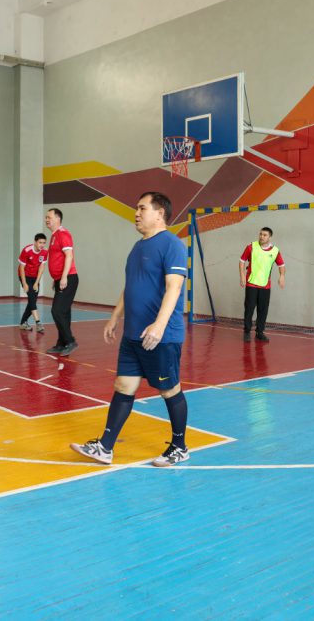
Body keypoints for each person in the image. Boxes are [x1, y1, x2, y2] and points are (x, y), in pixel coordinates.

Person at [70, 192, 191, 467]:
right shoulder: (137, 247)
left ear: (159, 213)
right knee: (123, 386)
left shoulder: (172, 244)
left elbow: (174, 287)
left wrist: (159, 326)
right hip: (133, 334)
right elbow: (131, 286)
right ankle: (105, 447)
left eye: (142, 208)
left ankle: (180, 446)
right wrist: (115, 317)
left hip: (161, 337)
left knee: (169, 390)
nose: (136, 213)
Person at [239, 226, 285, 342]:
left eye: (265, 235)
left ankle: (260, 332)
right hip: (251, 284)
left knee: (263, 310)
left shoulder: (275, 251)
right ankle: (247, 331)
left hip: (265, 285)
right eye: (260, 234)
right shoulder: (251, 247)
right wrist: (242, 276)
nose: (262, 236)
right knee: (249, 309)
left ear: (270, 237)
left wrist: (282, 276)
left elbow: (281, 265)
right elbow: (242, 261)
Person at [44, 208, 78, 356]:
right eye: (46, 217)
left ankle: (70, 341)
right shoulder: (54, 235)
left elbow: (69, 256)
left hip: (69, 278)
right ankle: (61, 343)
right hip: (60, 279)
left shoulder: (63, 234)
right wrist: (56, 279)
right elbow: (57, 259)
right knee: (64, 312)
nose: (47, 220)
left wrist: (63, 277)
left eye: (49, 217)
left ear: (58, 219)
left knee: (57, 311)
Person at [18, 233, 48, 332]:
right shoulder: (27, 250)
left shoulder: (44, 252)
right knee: (31, 298)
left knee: (33, 301)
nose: (42, 245)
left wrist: (36, 282)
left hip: (35, 277)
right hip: (25, 275)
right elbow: (21, 268)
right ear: (35, 242)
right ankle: (38, 323)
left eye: (44, 243)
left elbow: (42, 267)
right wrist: (24, 283)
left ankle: (23, 323)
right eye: (40, 242)